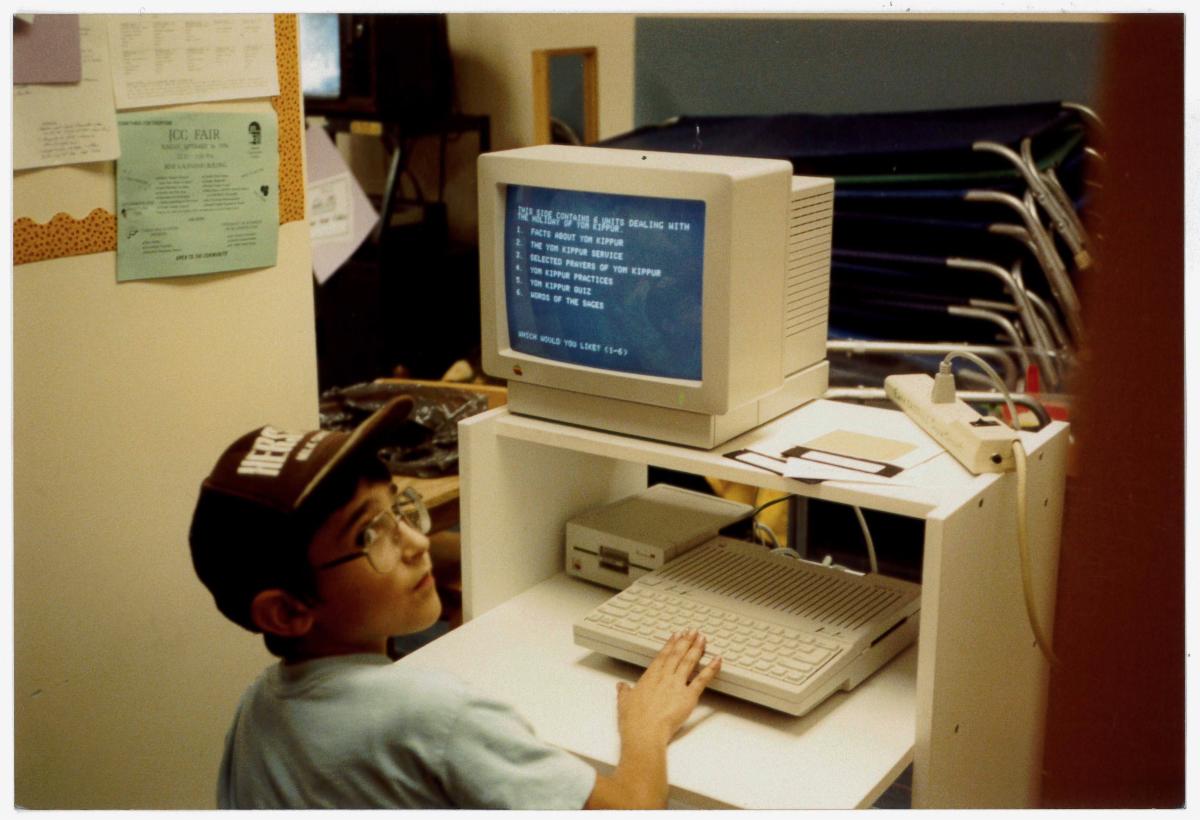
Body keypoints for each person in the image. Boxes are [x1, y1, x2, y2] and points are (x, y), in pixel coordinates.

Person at [189, 397, 721, 809]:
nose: (416, 542)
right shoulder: (434, 715)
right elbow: (630, 809)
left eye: (398, 510)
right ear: (287, 612)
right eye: (371, 534)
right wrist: (647, 727)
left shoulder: (257, 709)